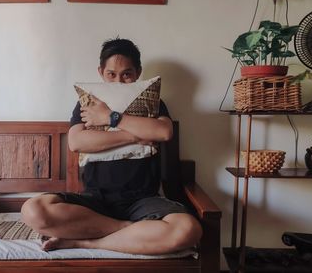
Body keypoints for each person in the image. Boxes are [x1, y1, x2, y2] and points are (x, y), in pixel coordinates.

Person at [21, 38, 202, 255]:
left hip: (143, 200)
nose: (119, 81)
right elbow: (76, 142)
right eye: (111, 74)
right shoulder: (87, 104)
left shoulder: (151, 103)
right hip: (95, 201)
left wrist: (111, 117)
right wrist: (134, 137)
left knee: (188, 230)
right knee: (33, 211)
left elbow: (163, 132)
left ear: (138, 73)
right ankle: (125, 230)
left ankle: (85, 242)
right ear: (101, 72)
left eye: (126, 74)